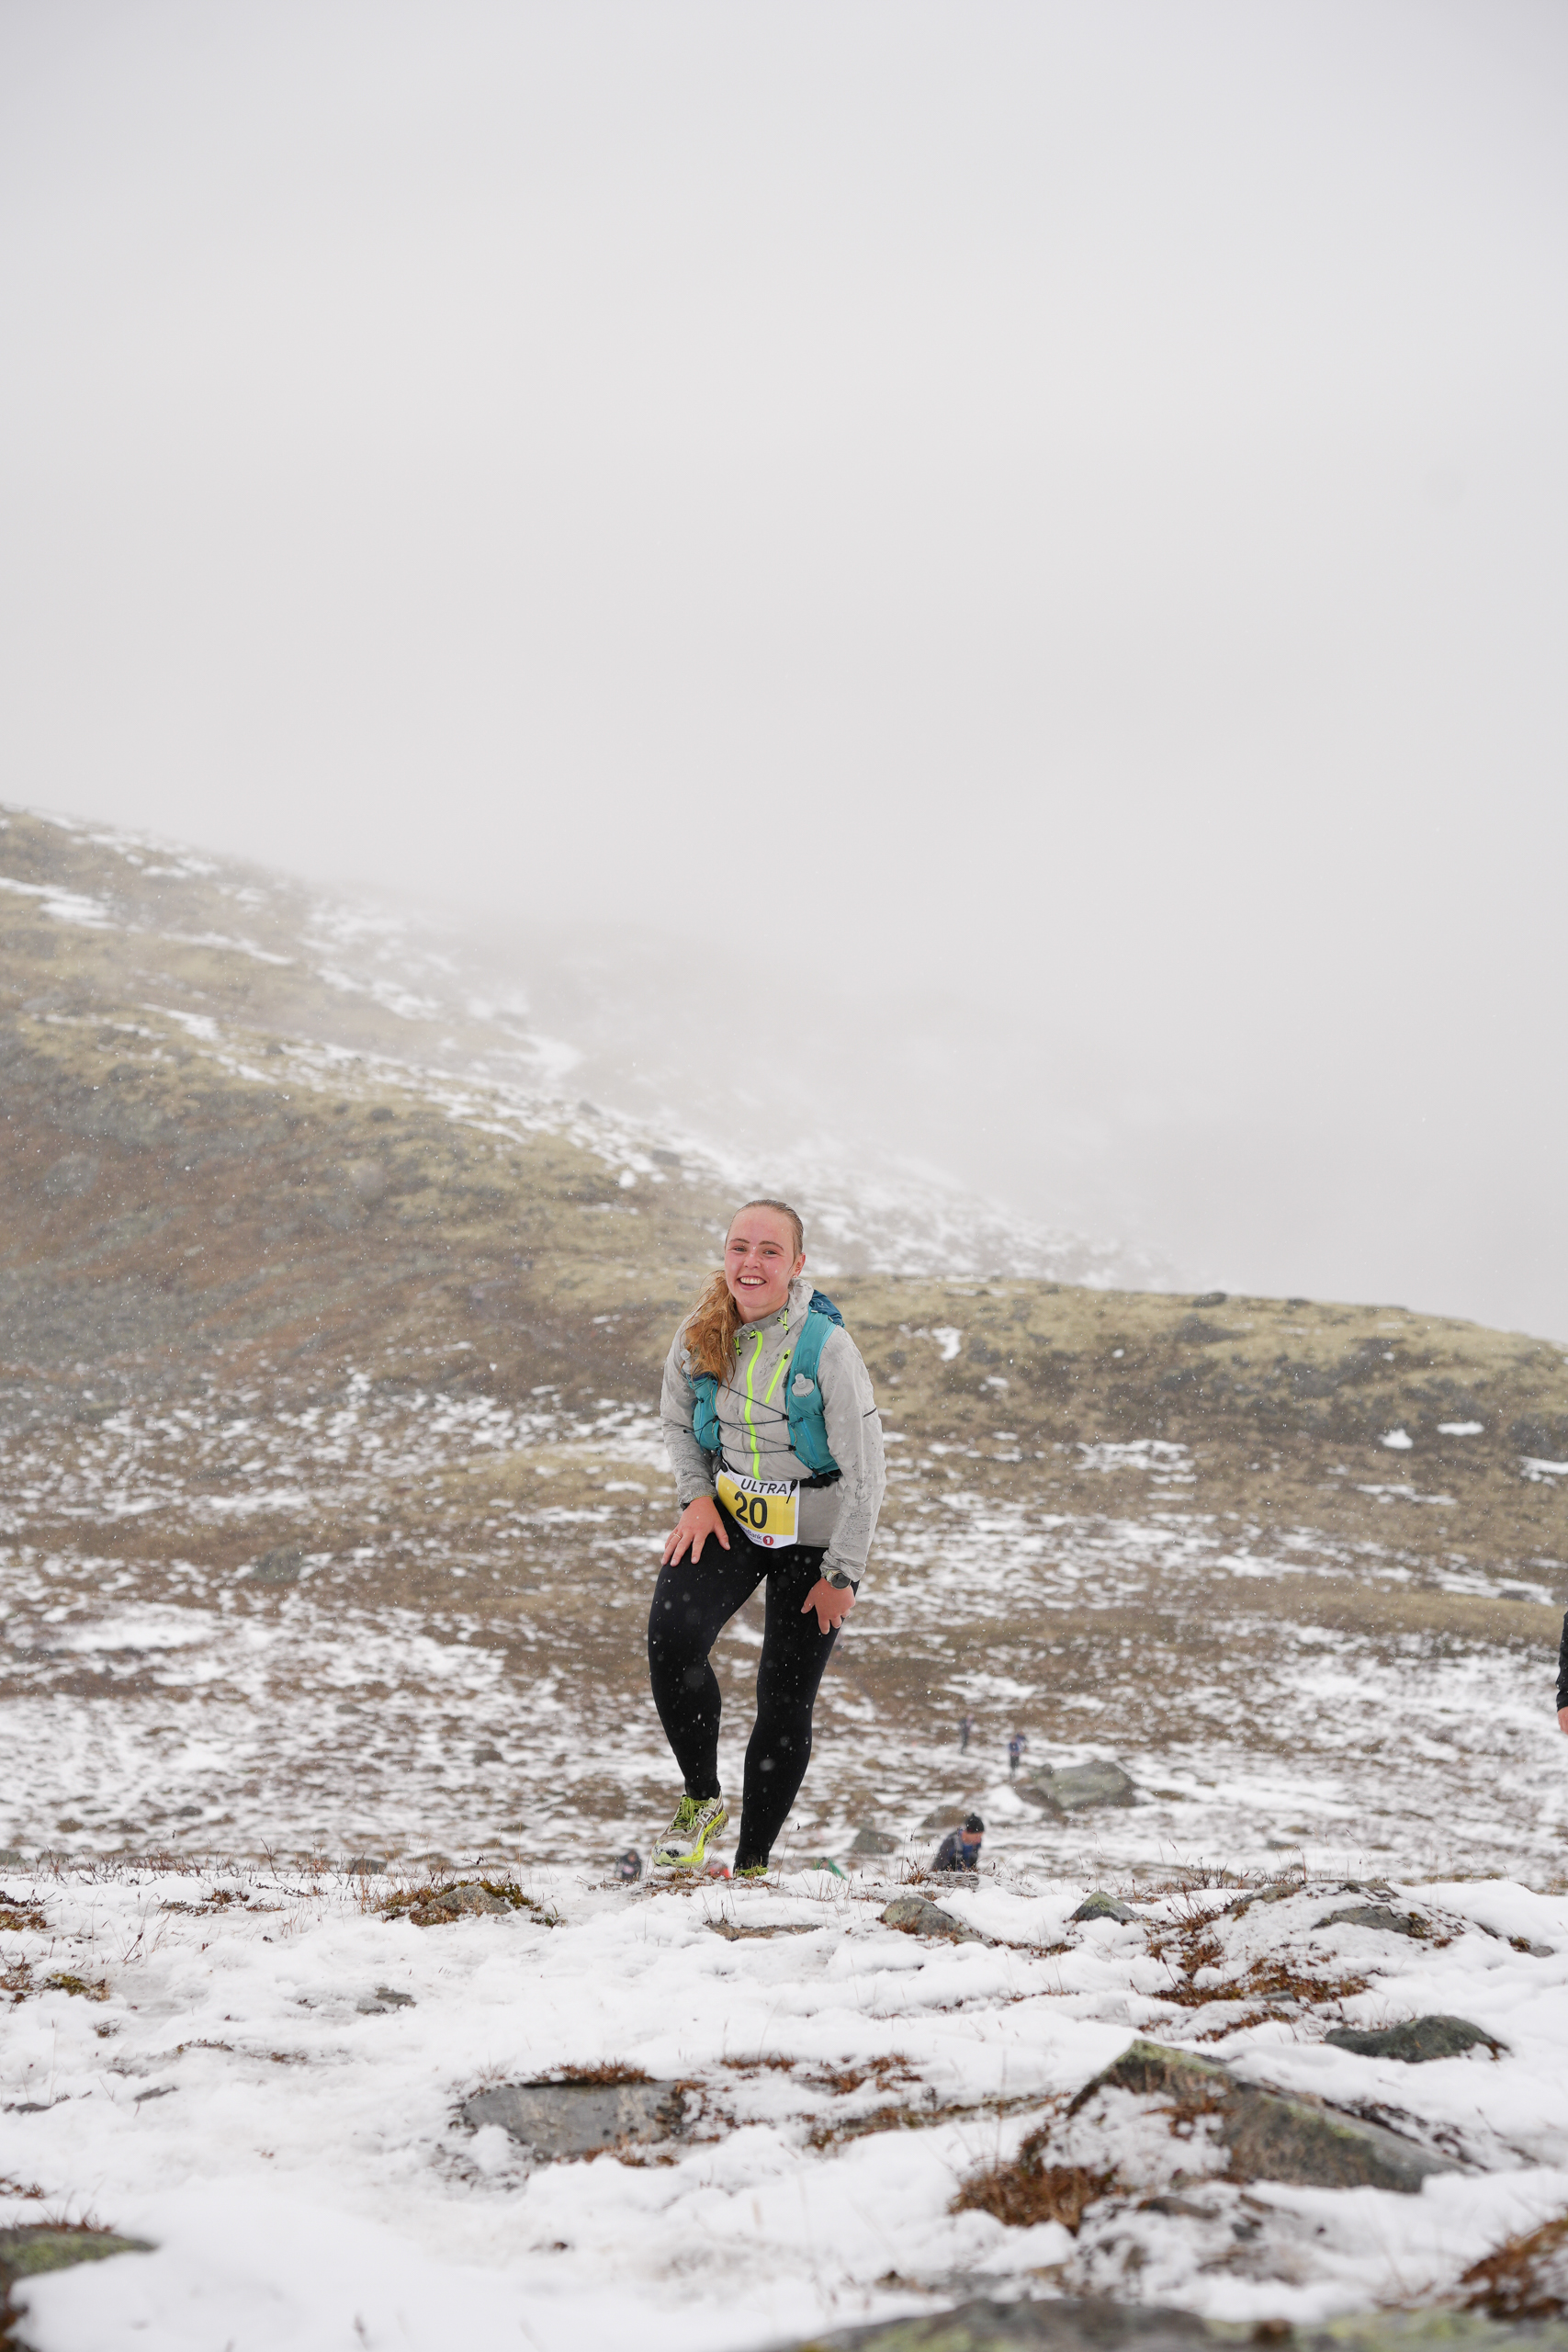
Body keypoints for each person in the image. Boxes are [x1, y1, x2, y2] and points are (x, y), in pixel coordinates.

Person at [649, 1198, 886, 1876]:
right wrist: (696, 1499)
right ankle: (701, 1800)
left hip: (817, 1536)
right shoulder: (700, 1331)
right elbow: (677, 1422)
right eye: (739, 1247)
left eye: (770, 1251)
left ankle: (752, 1865)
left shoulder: (826, 1348)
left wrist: (841, 1574)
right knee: (672, 1638)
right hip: (732, 1515)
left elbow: (867, 1471)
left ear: (797, 1264)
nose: (751, 1263)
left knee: (784, 1698)